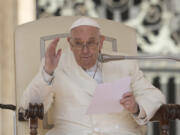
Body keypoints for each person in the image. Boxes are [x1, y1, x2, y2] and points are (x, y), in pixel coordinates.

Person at [21, 17, 165, 135]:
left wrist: (136, 107)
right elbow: (28, 106)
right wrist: (47, 72)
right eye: (78, 43)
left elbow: (155, 97)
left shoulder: (124, 62)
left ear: (100, 42)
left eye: (90, 43)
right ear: (70, 44)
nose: (85, 50)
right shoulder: (55, 63)